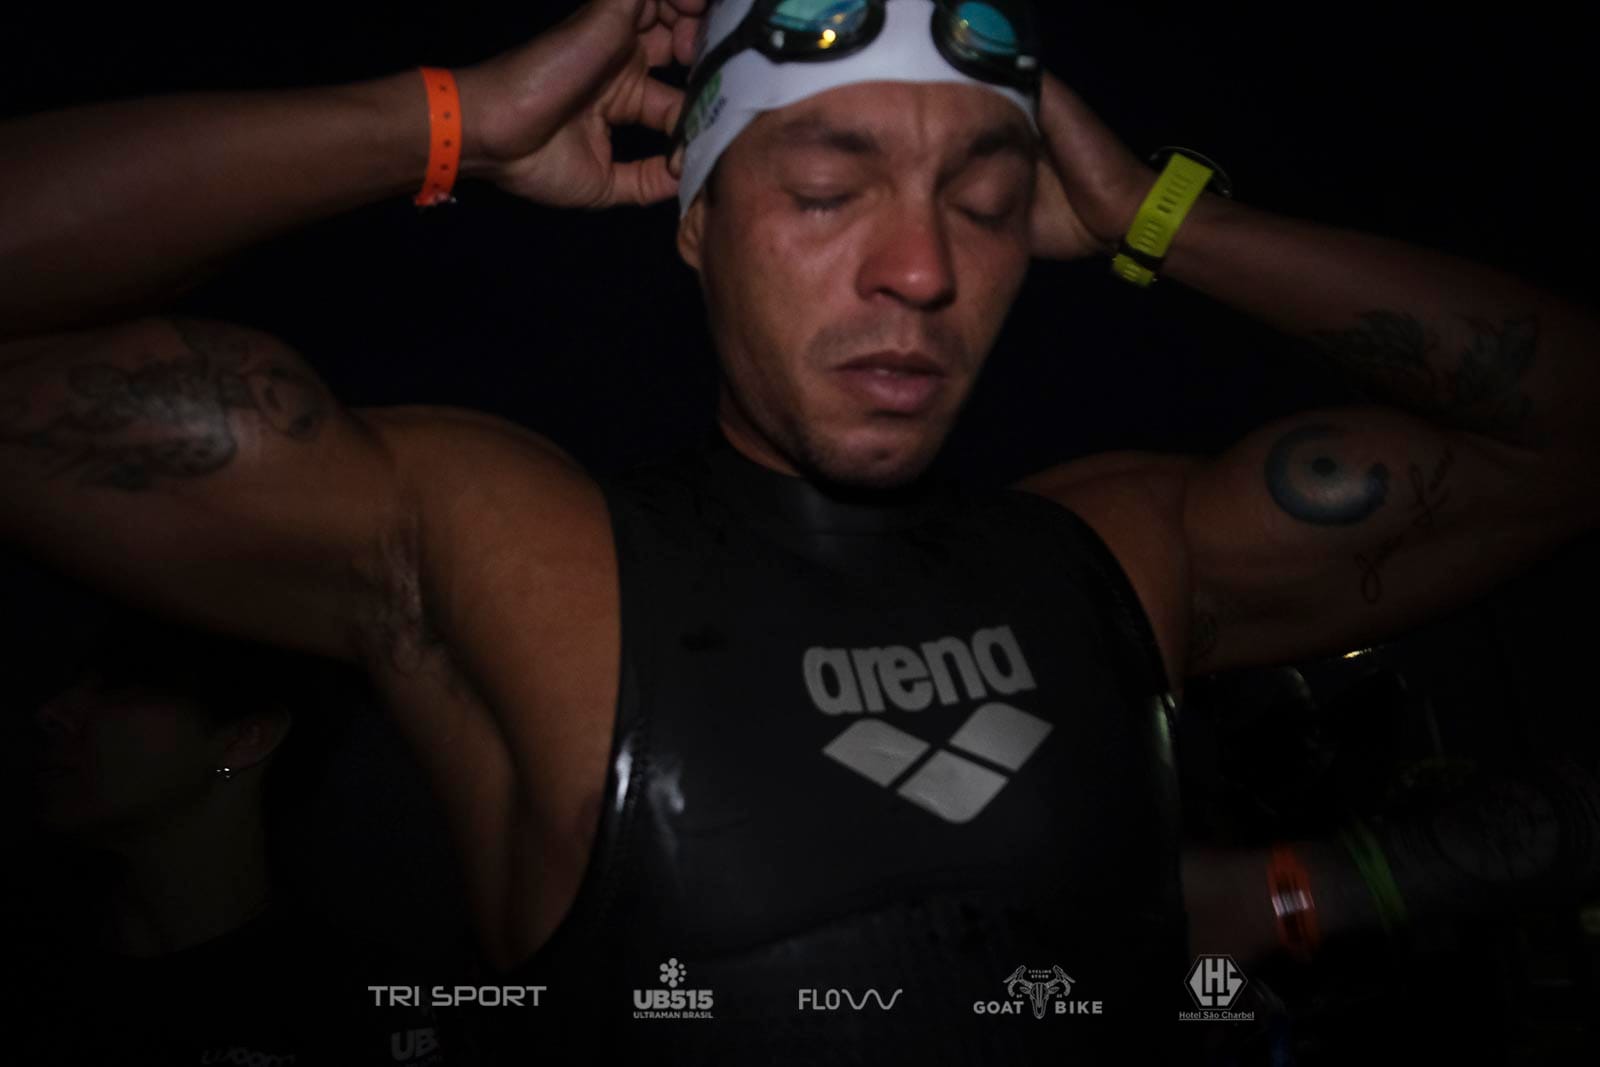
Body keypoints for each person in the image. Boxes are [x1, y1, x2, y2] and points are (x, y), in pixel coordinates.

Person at [2, 0, 1597, 1061]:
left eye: (986, 202)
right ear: (695, 218)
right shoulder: (518, 556)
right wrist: (452, 122)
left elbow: (1564, 430)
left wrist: (1163, 219)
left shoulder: (1114, 555)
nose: (923, 267)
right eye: (831, 190)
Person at [8, 607, 454, 1066]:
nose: (52, 712)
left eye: (121, 686)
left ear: (245, 738)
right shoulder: (30, 975)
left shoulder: (364, 1007)